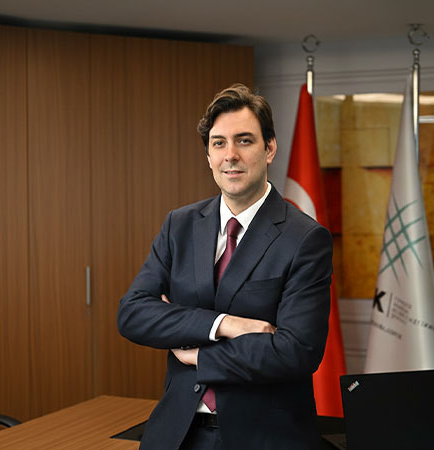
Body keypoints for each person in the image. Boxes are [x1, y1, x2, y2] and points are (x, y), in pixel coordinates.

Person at [117, 84, 333, 450]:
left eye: (244, 141)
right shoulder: (179, 225)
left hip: (263, 438)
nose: (230, 155)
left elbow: (296, 351)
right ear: (208, 155)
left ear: (270, 148)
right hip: (178, 432)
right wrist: (225, 325)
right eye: (219, 143)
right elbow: (133, 313)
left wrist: (199, 355)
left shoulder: (305, 239)